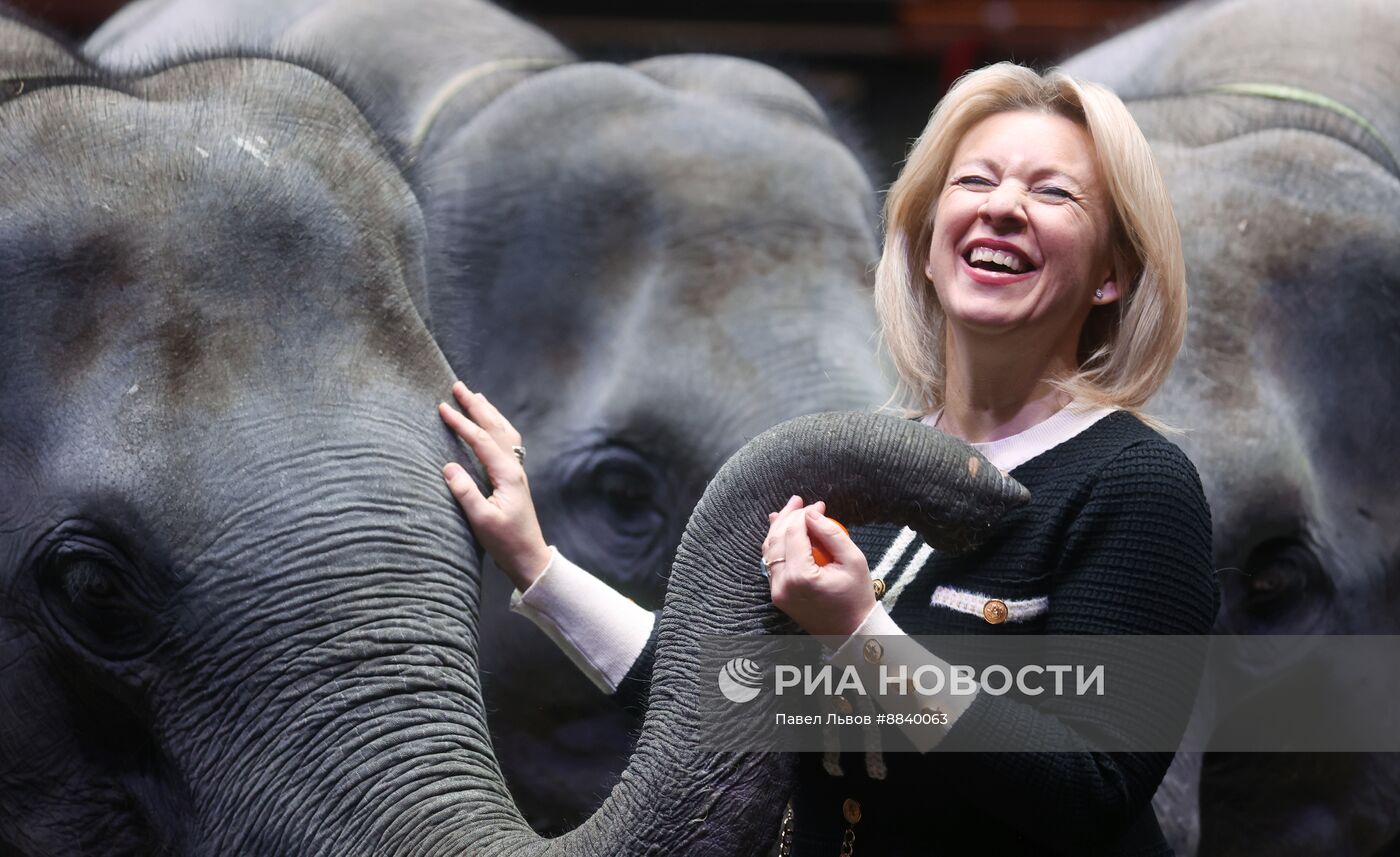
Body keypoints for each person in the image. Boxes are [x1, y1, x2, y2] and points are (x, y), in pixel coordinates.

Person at [437, 61, 1217, 856]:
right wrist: (533, 557)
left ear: (1113, 274)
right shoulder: (868, 466)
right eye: (975, 180)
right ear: (922, 238)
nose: (1003, 207)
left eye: (1053, 193)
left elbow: (1092, 792)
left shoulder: (1138, 485)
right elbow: (710, 700)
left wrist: (860, 630)